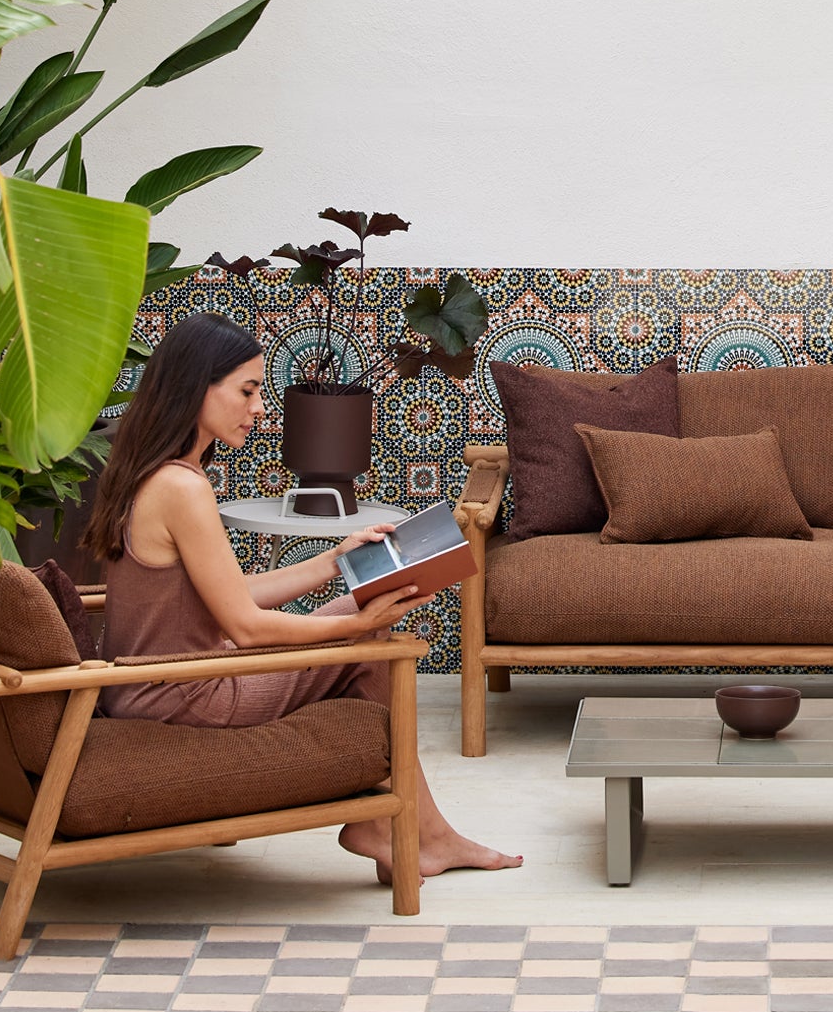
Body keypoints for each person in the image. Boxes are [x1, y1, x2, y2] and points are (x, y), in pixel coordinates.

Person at [82, 311, 520, 880]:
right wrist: (356, 628)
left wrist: (334, 560)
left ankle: (410, 830)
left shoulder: (149, 474)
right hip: (186, 695)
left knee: (368, 618)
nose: (259, 408)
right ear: (197, 387)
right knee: (372, 630)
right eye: (247, 391)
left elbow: (231, 595)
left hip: (156, 685)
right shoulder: (181, 488)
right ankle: (415, 832)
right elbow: (246, 628)